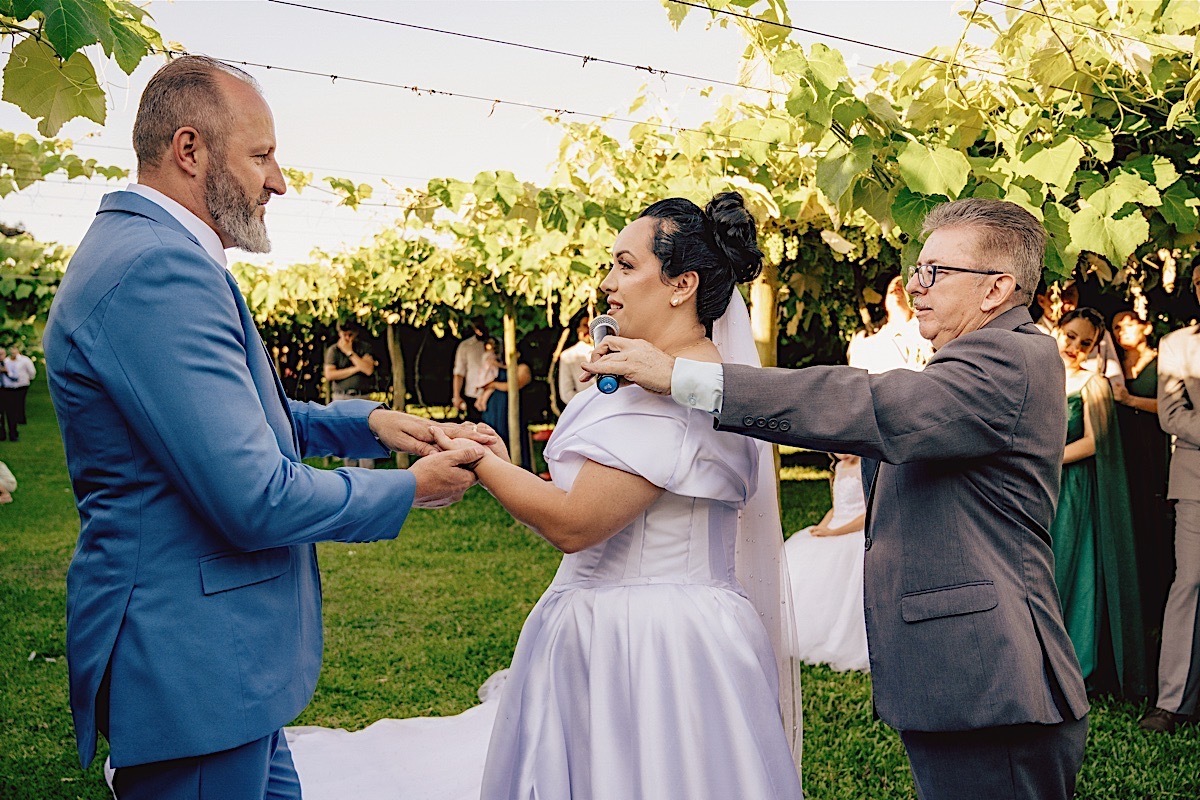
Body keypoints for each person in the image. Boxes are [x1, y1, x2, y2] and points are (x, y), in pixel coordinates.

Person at [42, 55, 487, 800]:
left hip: (221, 671)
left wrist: (372, 423)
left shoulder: (158, 253)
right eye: (261, 156)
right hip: (194, 666)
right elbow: (254, 495)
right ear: (190, 150)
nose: (278, 181)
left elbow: (236, 424)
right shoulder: (158, 269)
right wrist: (411, 490)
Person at [586, 197, 1090, 800]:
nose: (916, 286)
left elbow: (873, 405)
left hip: (993, 681)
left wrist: (683, 376)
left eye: (935, 272)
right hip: (967, 675)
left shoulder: (1010, 357)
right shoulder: (975, 358)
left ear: (996, 289)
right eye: (918, 270)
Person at [436, 191, 803, 799]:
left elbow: (575, 523)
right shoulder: (702, 381)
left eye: (626, 266)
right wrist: (504, 463)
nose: (607, 283)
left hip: (643, 643)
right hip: (678, 626)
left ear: (682, 285)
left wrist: (480, 463)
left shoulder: (669, 397)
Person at [1048, 307, 1147, 699]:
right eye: (1070, 336)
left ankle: (1069, 668)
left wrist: (1046, 459)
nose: (1075, 346)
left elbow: (1094, 442)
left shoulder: (1093, 384)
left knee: (1067, 570)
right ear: (1057, 330)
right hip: (1032, 487)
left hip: (1071, 487)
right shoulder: (1037, 377)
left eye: (1085, 342)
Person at [1140, 264, 1200, 733]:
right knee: (1190, 582)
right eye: (1198, 283)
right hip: (1195, 479)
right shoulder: (1177, 344)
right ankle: (1172, 702)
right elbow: (1171, 414)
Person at [1111, 309, 1173, 668]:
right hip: (1126, 453)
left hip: (1155, 451)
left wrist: (1130, 401)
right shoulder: (1115, 366)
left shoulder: (1162, 362)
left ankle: (1161, 615)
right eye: (1116, 327)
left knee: (1158, 523)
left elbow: (1171, 408)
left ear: (1146, 327)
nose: (1122, 331)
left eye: (1128, 324)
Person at [784, 453, 869, 672]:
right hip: (834, 527)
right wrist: (822, 528)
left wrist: (835, 532)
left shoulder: (865, 467)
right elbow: (836, 508)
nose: (843, 453)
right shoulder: (839, 467)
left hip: (853, 532)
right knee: (804, 564)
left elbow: (866, 513)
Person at [1034, 280, 1124, 389]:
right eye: (1056, 296)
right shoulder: (1032, 334)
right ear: (1041, 300)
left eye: (1070, 294)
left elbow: (1116, 383)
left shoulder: (1100, 334)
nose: (1064, 301)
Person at [845, 275, 930, 372]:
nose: (897, 285)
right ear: (884, 303)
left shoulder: (929, 333)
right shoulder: (863, 342)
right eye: (892, 290)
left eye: (902, 287)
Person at [324, 320, 378, 468]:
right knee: (347, 437)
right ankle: (351, 472)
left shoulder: (364, 347)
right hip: (342, 396)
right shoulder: (333, 350)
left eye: (350, 334)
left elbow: (368, 369)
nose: (347, 338)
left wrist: (350, 353)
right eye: (344, 334)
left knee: (365, 435)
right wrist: (356, 368)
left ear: (355, 333)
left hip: (362, 396)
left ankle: (368, 474)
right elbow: (330, 374)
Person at [479, 345, 533, 471]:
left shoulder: (523, 367)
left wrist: (493, 384)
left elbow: (515, 384)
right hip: (494, 408)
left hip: (509, 409)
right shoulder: (499, 366)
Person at [452, 316, 490, 423]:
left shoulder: (499, 343)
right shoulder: (465, 346)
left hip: (494, 394)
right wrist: (456, 396)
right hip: (473, 394)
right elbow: (459, 373)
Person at [0, 343, 36, 441]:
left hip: (9, 390)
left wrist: (6, 372)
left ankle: (13, 433)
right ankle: (2, 434)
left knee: (11, 413)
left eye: (2, 354)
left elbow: (16, 377)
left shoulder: (9, 363)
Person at [556, 317, 593, 406]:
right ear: (578, 329)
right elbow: (566, 393)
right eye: (585, 325)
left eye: (592, 326)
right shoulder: (568, 356)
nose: (588, 329)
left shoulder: (611, 350)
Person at [472, 337, 502, 413]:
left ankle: (479, 401)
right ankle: (483, 402)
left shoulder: (488, 354)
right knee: (490, 388)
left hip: (486, 374)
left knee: (485, 390)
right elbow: (493, 363)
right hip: (488, 375)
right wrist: (504, 366)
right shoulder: (489, 355)